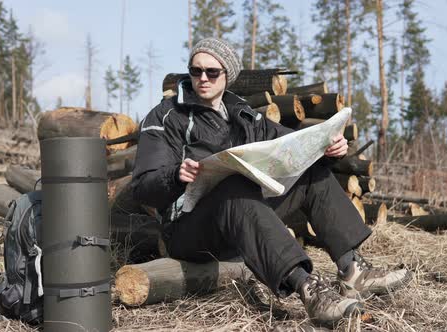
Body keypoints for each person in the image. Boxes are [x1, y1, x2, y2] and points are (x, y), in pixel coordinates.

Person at [132, 37, 410, 327]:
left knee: (311, 173)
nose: (203, 78)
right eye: (195, 70)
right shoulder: (166, 116)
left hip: (242, 222)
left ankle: (353, 269)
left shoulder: (244, 114)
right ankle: (310, 290)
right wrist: (176, 174)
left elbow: (292, 145)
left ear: (228, 74)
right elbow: (143, 186)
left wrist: (327, 151)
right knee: (232, 188)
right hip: (188, 231)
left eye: (212, 72)